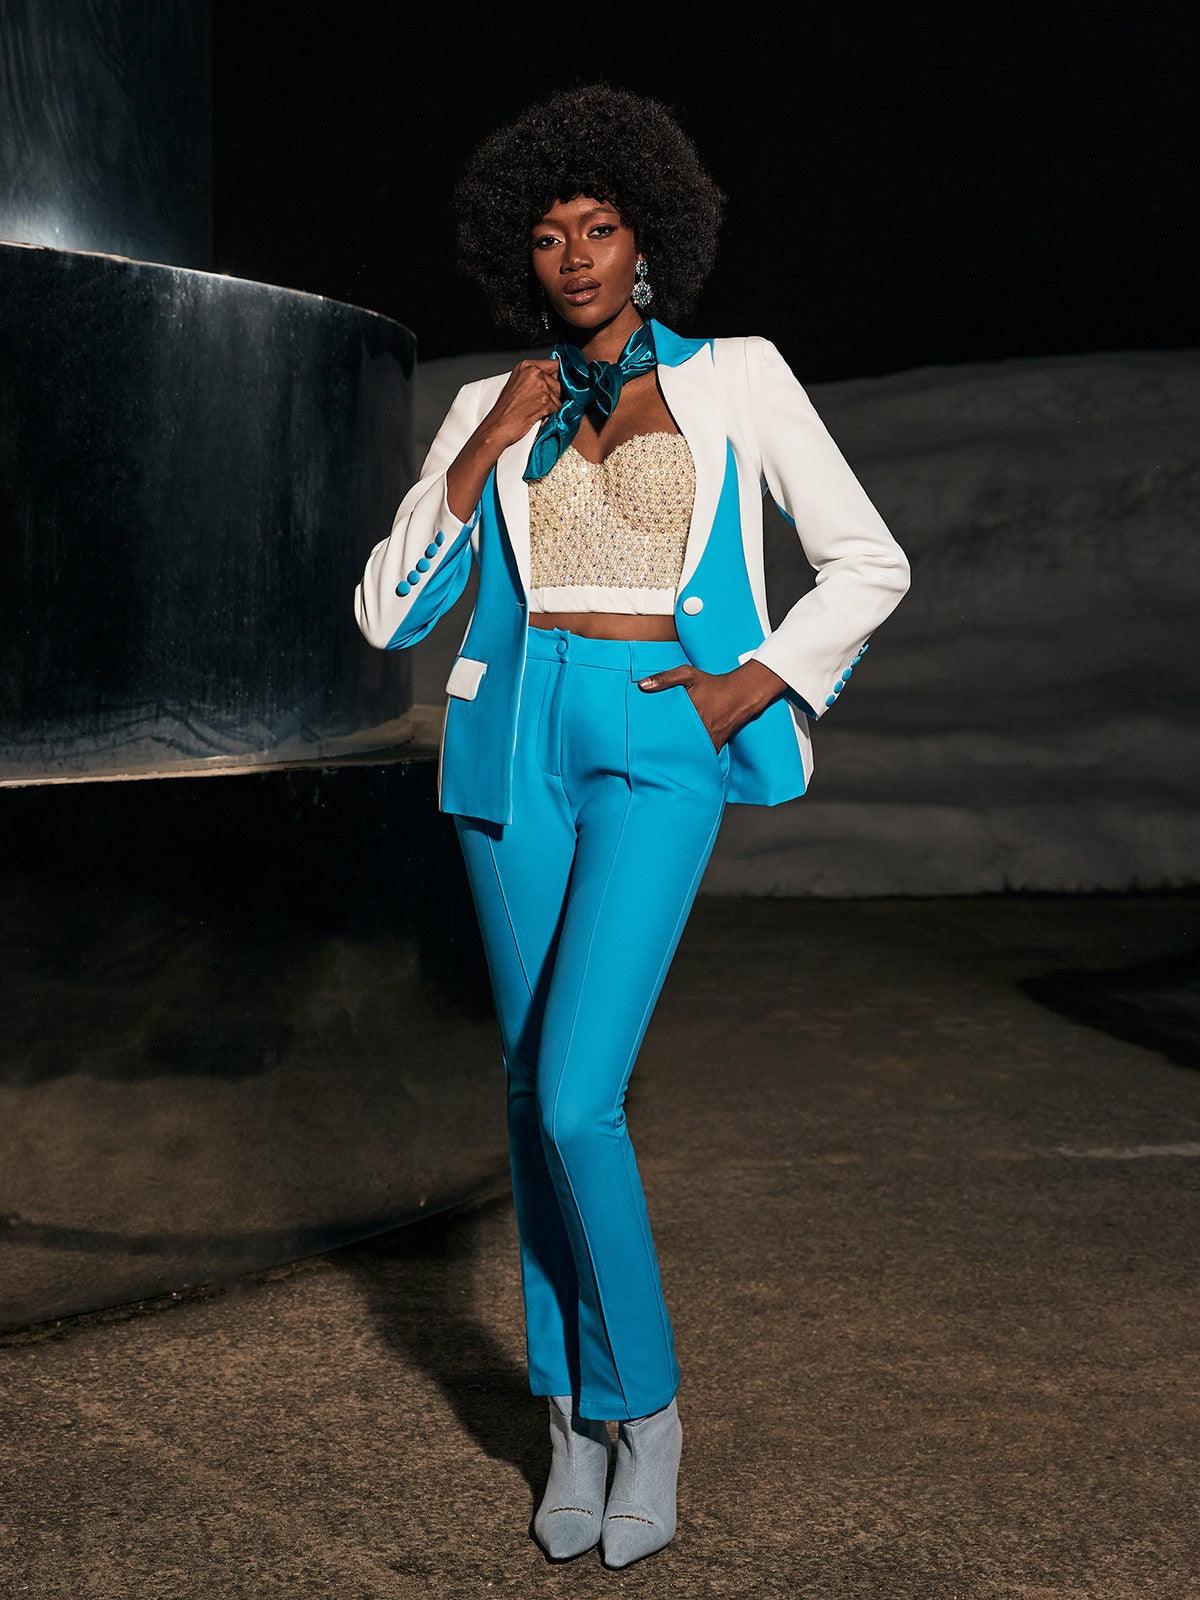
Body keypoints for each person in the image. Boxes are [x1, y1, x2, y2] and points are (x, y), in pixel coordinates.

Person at [353, 79, 911, 1569]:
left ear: (648, 234)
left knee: (578, 1095)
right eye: (547, 237)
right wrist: (488, 444)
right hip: (512, 745)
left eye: (598, 227)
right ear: (517, 257)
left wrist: (754, 682)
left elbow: (869, 560)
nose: (576, 258)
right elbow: (388, 612)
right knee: (526, 1087)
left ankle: (644, 1407)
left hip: (662, 736)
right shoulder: (492, 403)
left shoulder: (739, 379)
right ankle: (567, 1415)